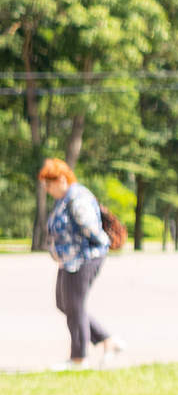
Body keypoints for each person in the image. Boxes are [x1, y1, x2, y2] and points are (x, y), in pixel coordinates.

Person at [39, 158, 122, 369]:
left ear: (61, 179)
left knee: (74, 307)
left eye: (48, 184)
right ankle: (108, 340)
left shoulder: (77, 197)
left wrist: (98, 245)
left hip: (83, 259)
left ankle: (79, 359)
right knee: (63, 303)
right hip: (69, 261)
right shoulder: (64, 199)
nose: (47, 190)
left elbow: (91, 228)